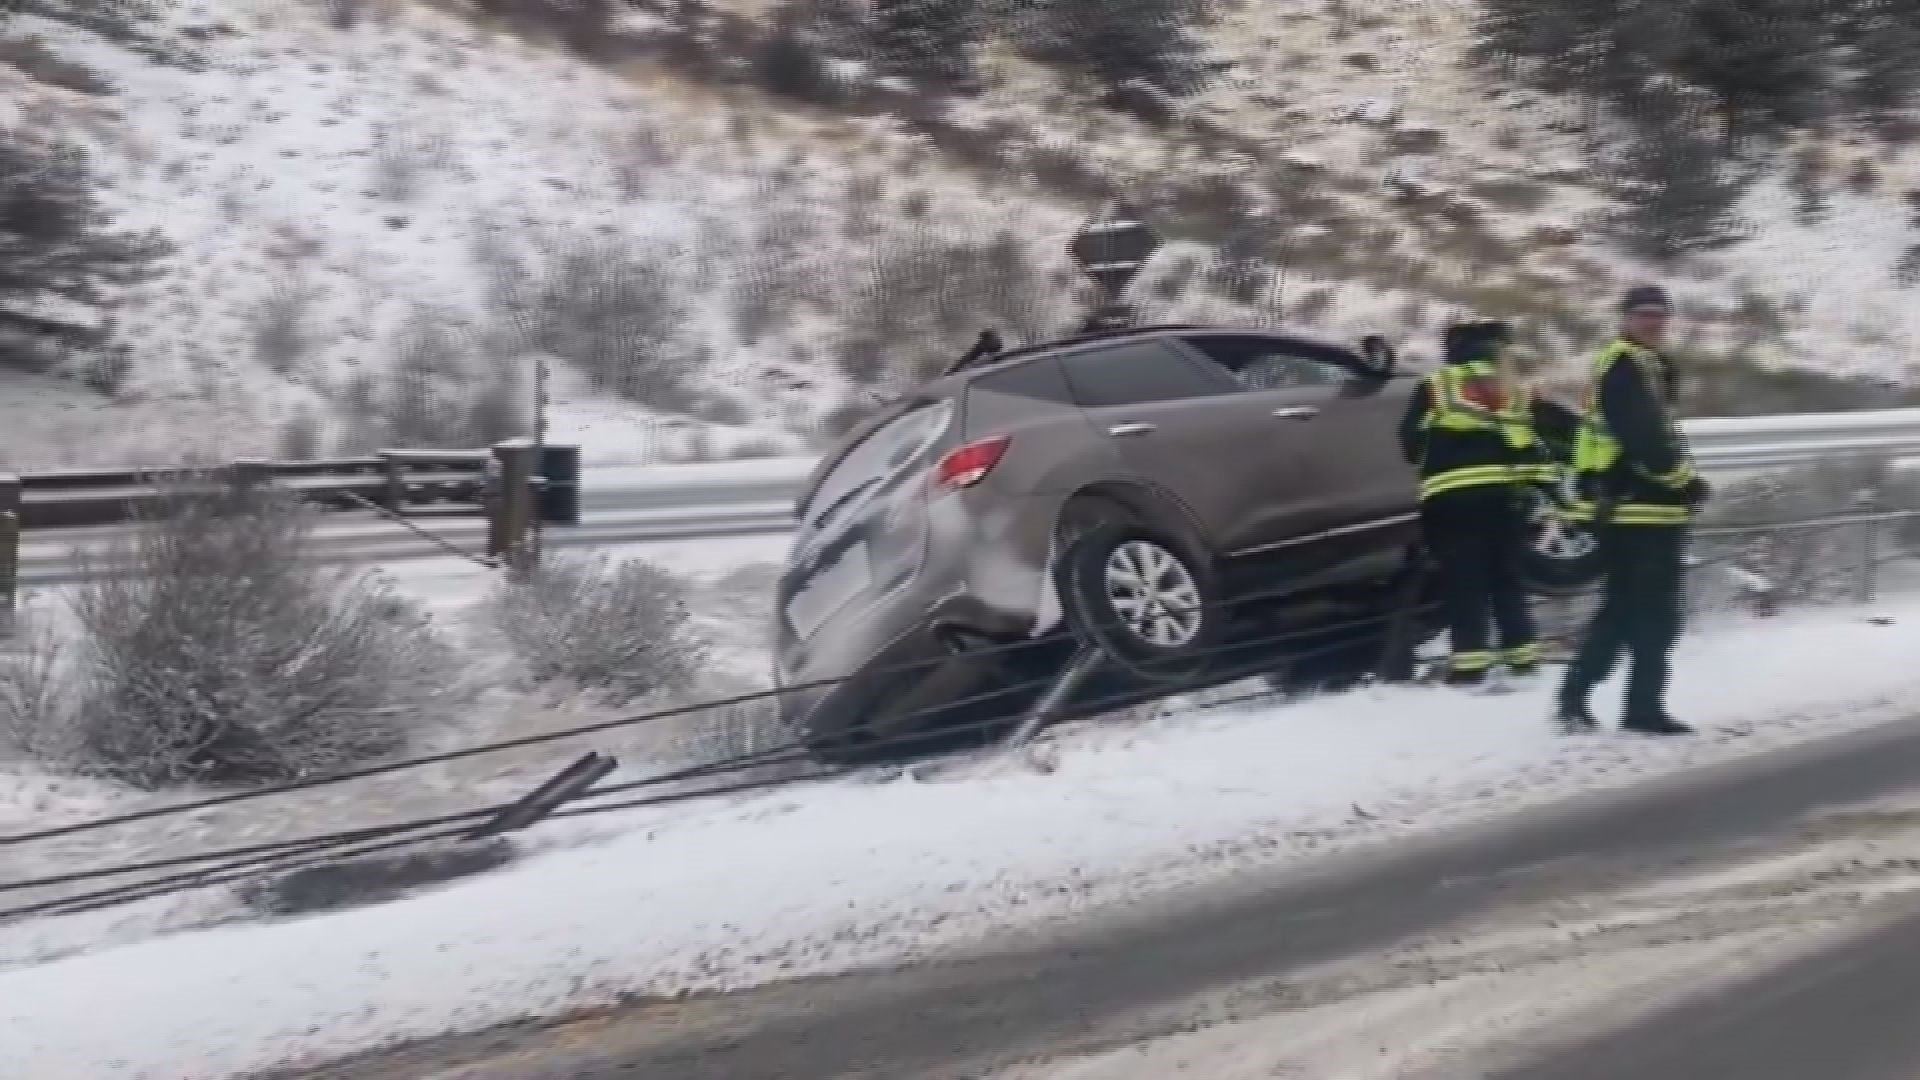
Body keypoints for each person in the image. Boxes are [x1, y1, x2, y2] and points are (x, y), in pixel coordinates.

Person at [1554, 285, 1709, 736]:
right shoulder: (1626, 366)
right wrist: (1687, 482)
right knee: (1654, 614)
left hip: (1637, 506)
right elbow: (1644, 440)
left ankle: (1581, 698)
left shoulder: (1639, 364)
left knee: (1624, 608)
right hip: (1636, 506)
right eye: (1644, 314)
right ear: (1624, 318)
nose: (1654, 321)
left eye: (1661, 314)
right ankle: (1636, 706)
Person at [1398, 320, 1557, 687]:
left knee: (1465, 583)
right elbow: (1542, 438)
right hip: (1504, 497)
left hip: (1452, 499)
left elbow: (1409, 444)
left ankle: (1470, 667)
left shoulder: (1435, 385)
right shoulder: (1514, 390)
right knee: (1508, 579)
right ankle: (1523, 661)